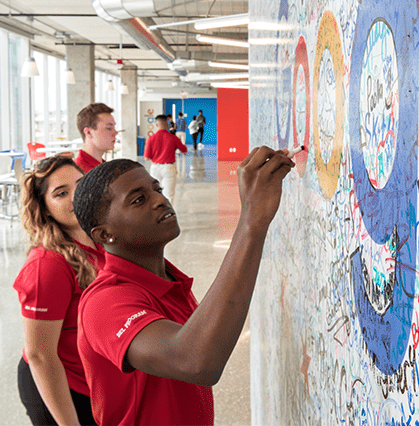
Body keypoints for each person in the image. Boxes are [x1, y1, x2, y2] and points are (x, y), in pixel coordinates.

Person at [72, 147, 293, 425]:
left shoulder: (169, 281)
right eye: (139, 200)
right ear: (105, 234)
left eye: (157, 189)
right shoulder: (105, 302)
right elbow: (196, 360)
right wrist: (251, 223)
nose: (160, 200)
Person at [13, 156, 105, 426]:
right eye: (61, 193)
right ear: (46, 209)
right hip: (59, 387)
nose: (76, 197)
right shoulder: (48, 265)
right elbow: (40, 355)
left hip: (91, 380)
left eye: (81, 184)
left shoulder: (100, 242)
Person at [143, 114, 188, 204]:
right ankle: (168, 216)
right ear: (167, 124)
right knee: (169, 195)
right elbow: (184, 150)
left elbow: (147, 157)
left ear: (156, 125)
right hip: (169, 168)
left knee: (154, 194)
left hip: (155, 168)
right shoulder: (173, 138)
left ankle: (156, 216)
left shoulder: (151, 138)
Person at [74, 103, 118, 173]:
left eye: (114, 127)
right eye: (109, 128)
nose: (115, 132)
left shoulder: (104, 167)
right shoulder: (79, 173)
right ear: (88, 132)